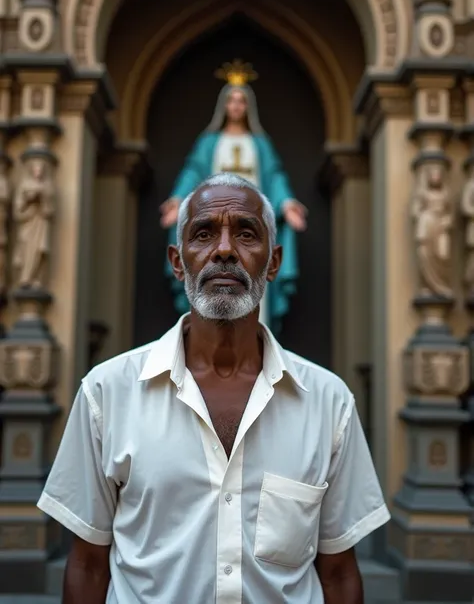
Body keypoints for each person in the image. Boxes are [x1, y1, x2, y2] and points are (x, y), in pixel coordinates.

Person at [37, 173, 390, 604]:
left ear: (274, 262)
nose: (224, 250)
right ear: (178, 260)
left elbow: (337, 573)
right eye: (203, 234)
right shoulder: (107, 394)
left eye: (246, 233)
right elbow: (89, 565)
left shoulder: (329, 403)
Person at [160, 59, 307, 328]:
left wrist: (286, 203)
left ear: (247, 106)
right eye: (232, 101)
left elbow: (274, 176)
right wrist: (178, 200)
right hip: (215, 221)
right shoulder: (210, 142)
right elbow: (194, 172)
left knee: (253, 272)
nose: (236, 106)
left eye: (241, 101)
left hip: (249, 224)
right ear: (224, 105)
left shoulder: (259, 143)